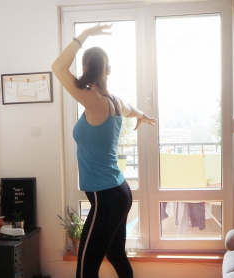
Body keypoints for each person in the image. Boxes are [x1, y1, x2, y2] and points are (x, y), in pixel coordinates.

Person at [52, 23, 156, 278]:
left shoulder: (93, 101)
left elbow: (58, 67)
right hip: (119, 191)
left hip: (105, 196)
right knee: (116, 256)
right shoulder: (113, 101)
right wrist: (141, 115)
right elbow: (131, 108)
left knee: (85, 270)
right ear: (108, 70)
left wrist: (85, 34)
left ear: (85, 68)